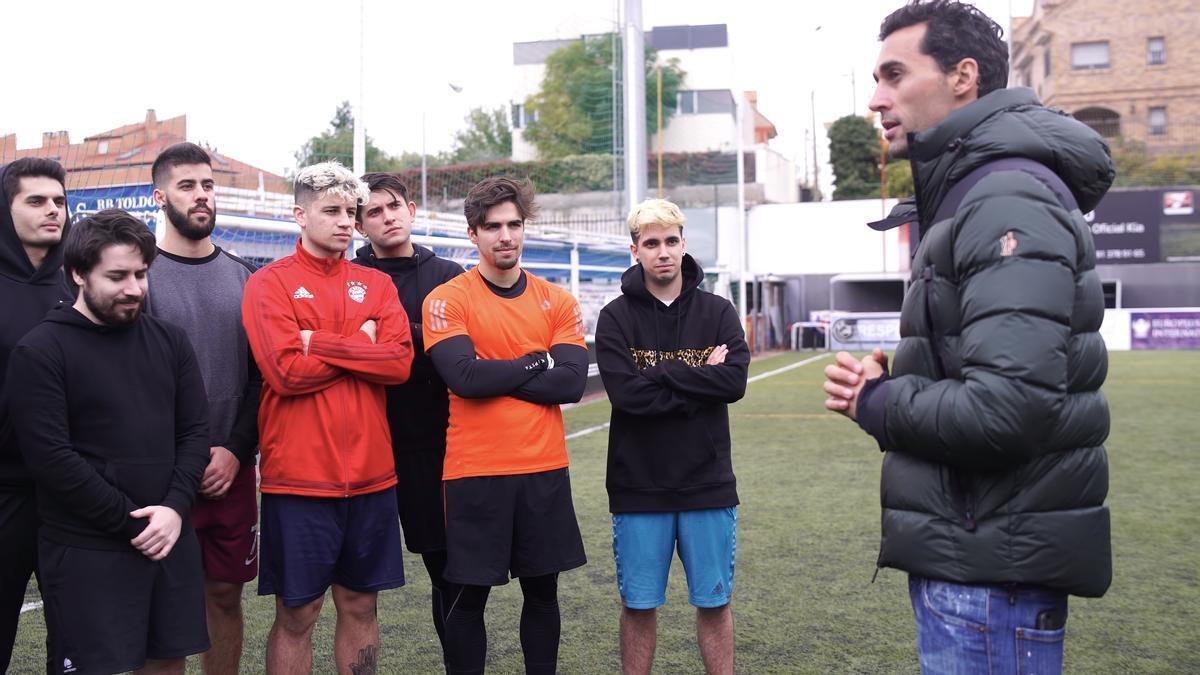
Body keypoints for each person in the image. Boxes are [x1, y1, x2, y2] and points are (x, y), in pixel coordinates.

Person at [823, 2, 1114, 673]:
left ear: (963, 76)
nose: (876, 98)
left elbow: (1007, 409)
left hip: (991, 576)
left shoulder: (1004, 196)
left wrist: (880, 400)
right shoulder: (980, 191)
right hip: (983, 562)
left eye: (895, 75)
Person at [7, 209, 211, 675]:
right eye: (117, 276)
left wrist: (176, 508)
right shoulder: (40, 350)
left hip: (169, 537)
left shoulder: (171, 341)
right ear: (78, 274)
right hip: (87, 549)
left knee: (166, 664)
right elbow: (52, 460)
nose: (135, 288)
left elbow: (195, 432)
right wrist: (131, 523)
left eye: (141, 274)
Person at [241, 161, 413, 674]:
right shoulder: (268, 284)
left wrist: (321, 342)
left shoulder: (376, 285)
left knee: (361, 606)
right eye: (332, 211)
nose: (346, 222)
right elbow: (285, 372)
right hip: (298, 483)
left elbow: (399, 363)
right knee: (298, 612)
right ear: (300, 214)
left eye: (351, 212)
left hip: (371, 481)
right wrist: (361, 346)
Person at [423, 176, 588, 674]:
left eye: (514, 224)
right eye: (493, 226)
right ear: (473, 233)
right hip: (475, 472)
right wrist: (537, 362)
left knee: (543, 594)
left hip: (544, 468)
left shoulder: (557, 301)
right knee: (468, 599)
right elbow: (464, 378)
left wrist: (495, 370)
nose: (506, 236)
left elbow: (572, 385)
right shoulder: (446, 299)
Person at [595, 198, 749, 675]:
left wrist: (660, 375)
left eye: (671, 241)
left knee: (714, 603)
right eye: (651, 243)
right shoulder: (616, 317)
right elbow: (626, 397)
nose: (663, 251)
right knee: (639, 606)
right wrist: (695, 374)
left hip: (707, 483)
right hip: (639, 485)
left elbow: (734, 383)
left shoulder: (719, 311)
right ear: (635, 251)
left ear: (684, 245)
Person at [146, 142, 261, 675]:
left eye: (207, 185)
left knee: (223, 598)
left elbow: (262, 379)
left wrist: (237, 450)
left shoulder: (246, 278)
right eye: (187, 185)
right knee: (162, 610)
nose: (200, 196)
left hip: (231, 471)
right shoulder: (137, 275)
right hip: (162, 473)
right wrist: (185, 457)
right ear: (159, 195)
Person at [352, 172, 464, 662]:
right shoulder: (348, 277)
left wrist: (390, 334)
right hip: (362, 445)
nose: (387, 217)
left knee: (447, 570)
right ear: (360, 225)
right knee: (355, 584)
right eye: (373, 212)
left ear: (412, 210)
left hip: (433, 444)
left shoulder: (448, 275)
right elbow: (345, 346)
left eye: (393, 205)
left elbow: (457, 351)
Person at [0, 157, 72, 671]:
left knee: (75, 643)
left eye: (60, 201)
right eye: (37, 200)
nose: (53, 211)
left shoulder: (85, 282)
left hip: (73, 492)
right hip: (3, 490)